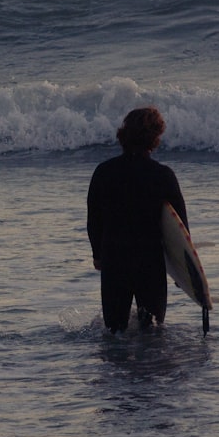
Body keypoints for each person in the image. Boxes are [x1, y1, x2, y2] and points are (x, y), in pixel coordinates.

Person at [86, 106, 187, 333]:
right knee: (152, 332)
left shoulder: (103, 172)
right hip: (149, 263)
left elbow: (94, 219)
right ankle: (150, 368)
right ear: (155, 137)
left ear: (124, 134)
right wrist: (184, 273)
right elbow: (181, 230)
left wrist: (97, 255)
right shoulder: (163, 176)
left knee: (114, 332)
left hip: (114, 260)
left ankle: (115, 370)